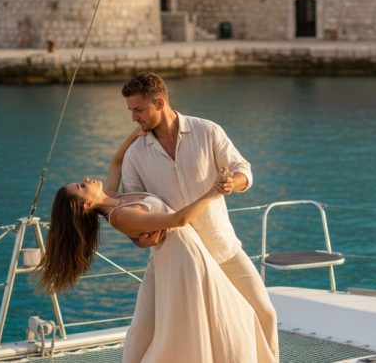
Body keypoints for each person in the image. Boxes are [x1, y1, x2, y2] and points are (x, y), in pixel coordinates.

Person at [37, 129, 275, 363]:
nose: (86, 180)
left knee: (198, 322)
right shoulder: (120, 215)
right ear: (87, 205)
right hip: (185, 258)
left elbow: (117, 162)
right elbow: (179, 220)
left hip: (180, 253)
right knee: (228, 317)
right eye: (81, 186)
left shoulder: (111, 197)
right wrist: (213, 191)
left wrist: (136, 134)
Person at [119, 72, 279, 362]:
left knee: (264, 312)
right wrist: (141, 239)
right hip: (172, 260)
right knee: (144, 332)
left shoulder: (207, 131)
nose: (134, 118)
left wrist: (234, 182)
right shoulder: (135, 155)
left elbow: (242, 168)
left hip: (222, 248)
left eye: (138, 110)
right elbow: (134, 209)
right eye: (131, 111)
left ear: (160, 102)